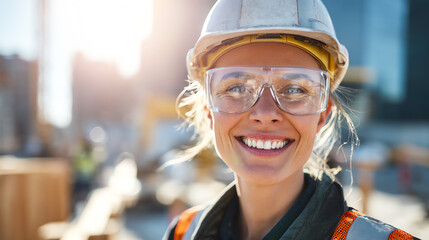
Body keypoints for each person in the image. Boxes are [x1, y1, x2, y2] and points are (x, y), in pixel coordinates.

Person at [163, 0, 420, 239]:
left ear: (322, 115)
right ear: (209, 110)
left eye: (295, 90)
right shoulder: (182, 232)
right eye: (237, 88)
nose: (265, 113)